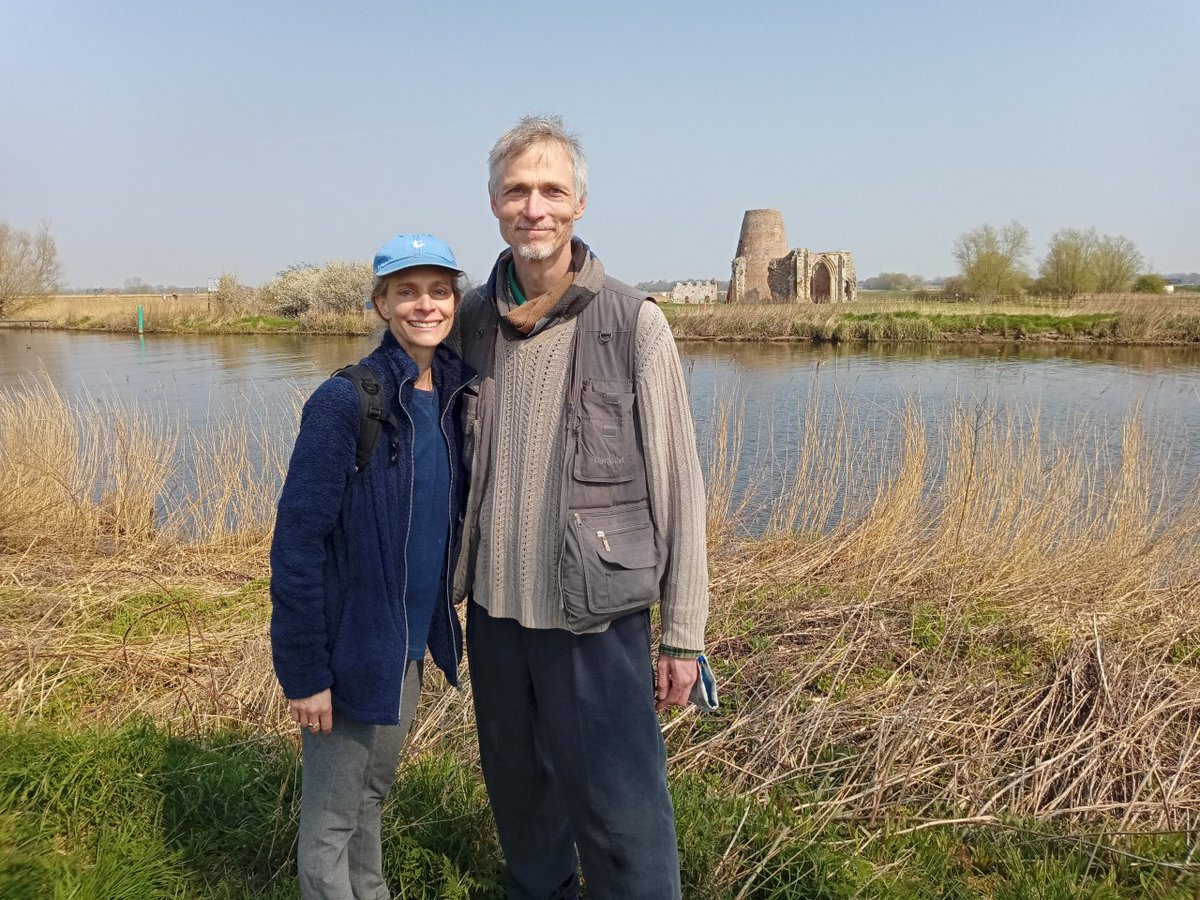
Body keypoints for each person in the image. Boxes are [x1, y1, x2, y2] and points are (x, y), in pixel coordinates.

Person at [453, 115, 710, 899]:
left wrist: (683, 634)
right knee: (522, 804)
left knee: (623, 816)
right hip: (495, 618)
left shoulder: (634, 323)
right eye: (517, 191)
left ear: (580, 204)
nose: (534, 208)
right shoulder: (468, 321)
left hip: (595, 623)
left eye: (551, 191)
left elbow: (679, 487)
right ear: (494, 204)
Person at [269, 233, 473, 900]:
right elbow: (297, 543)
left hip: (406, 648)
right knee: (331, 822)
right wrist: (305, 673)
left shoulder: (455, 396)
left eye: (438, 291)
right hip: (350, 648)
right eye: (406, 292)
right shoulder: (345, 401)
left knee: (371, 797)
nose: (425, 305)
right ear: (381, 303)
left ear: (455, 301)